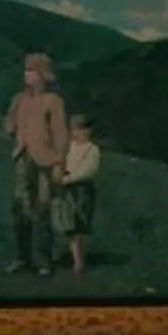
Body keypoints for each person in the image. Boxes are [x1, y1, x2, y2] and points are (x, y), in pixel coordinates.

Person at [1, 53, 68, 273]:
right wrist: (12, 126)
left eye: (31, 71)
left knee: (42, 208)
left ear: (42, 75)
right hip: (23, 157)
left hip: (45, 161)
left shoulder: (53, 102)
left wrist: (59, 163)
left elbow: (60, 134)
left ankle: (44, 261)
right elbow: (9, 125)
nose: (26, 75)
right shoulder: (19, 99)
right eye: (26, 70)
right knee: (19, 207)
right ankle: (22, 257)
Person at [53, 116, 103, 273]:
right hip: (66, 190)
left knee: (78, 225)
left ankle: (79, 262)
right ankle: (64, 256)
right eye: (76, 129)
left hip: (81, 190)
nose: (79, 133)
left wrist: (68, 179)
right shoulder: (69, 147)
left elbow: (88, 172)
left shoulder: (92, 150)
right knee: (67, 224)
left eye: (83, 129)